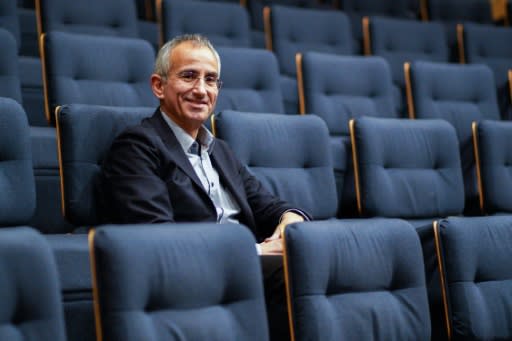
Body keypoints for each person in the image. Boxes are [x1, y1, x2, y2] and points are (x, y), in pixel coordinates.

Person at [100, 34, 311, 340]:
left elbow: (267, 204)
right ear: (159, 86)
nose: (201, 90)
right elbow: (158, 236)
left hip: (245, 266)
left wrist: (290, 221)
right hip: (194, 273)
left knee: (319, 256)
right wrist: (251, 252)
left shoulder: (220, 150)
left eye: (210, 80)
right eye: (189, 76)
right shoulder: (137, 146)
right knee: (303, 271)